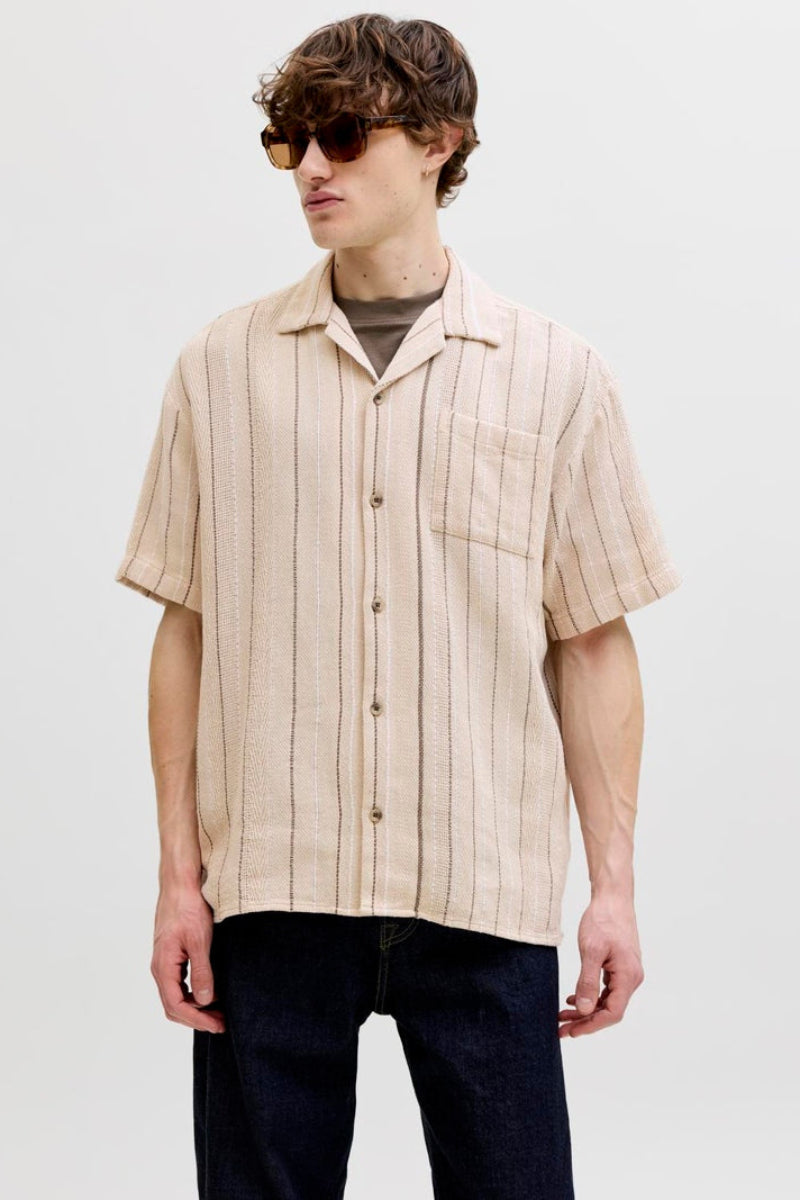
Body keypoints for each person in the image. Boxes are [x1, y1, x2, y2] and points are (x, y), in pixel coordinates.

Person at [114, 13, 682, 1199]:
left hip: (481, 887)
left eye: (342, 135)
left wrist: (613, 888)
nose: (310, 168)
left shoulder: (554, 375)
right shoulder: (219, 368)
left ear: (437, 141)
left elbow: (590, 640)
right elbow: (186, 627)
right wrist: (178, 879)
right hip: (272, 889)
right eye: (289, 141)